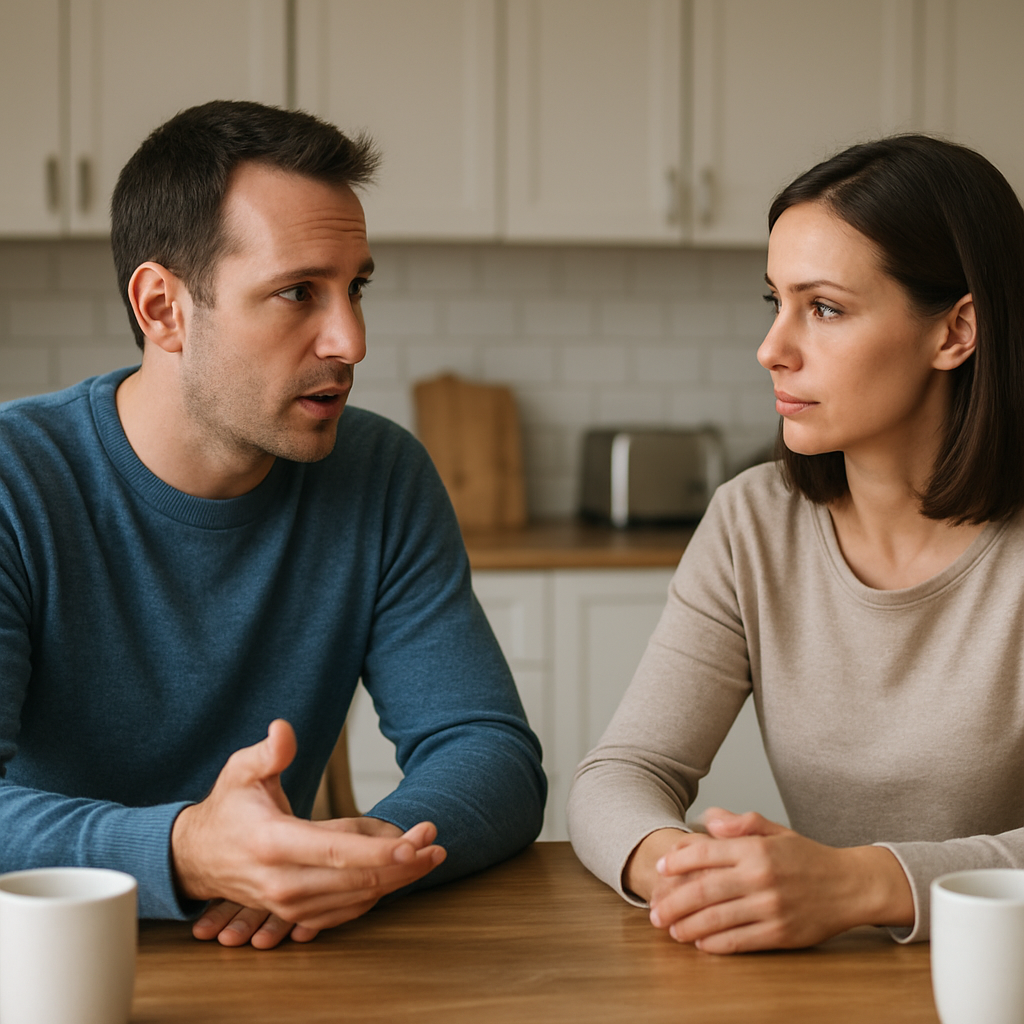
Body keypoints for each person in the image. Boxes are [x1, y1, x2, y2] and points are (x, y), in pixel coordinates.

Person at [0, 99, 546, 949]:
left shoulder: (381, 474)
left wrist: (373, 856)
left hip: (283, 961)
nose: (351, 339)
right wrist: (190, 852)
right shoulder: (14, 481)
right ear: (163, 309)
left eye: (355, 287)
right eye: (298, 292)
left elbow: (488, 751)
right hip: (48, 959)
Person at [567, 134, 1024, 953]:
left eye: (824, 308)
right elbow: (620, 775)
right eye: (773, 302)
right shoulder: (754, 522)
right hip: (829, 985)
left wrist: (858, 885)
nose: (772, 349)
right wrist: (689, 873)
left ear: (956, 332)